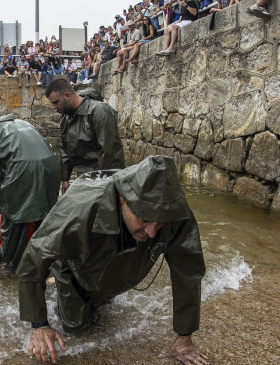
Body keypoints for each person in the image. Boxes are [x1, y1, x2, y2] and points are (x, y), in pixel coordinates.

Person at [17, 156, 207, 364]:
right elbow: (33, 259)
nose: (152, 233)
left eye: (160, 224)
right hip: (74, 263)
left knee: (104, 301)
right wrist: (39, 325)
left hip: (117, 263)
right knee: (77, 326)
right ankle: (59, 288)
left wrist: (184, 337)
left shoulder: (175, 211)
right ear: (124, 198)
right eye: (144, 219)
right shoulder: (77, 210)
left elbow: (188, 271)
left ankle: (100, 293)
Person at [0, 110, 60, 270]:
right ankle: (48, 258)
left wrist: (0, 203)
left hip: (24, 169)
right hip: (52, 166)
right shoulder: (20, 123)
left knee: (15, 220)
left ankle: (12, 266)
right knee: (44, 216)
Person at [45, 80, 124, 194]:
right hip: (83, 178)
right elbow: (66, 149)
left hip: (103, 178)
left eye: (56, 102)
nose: (54, 107)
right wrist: (65, 179)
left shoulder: (99, 110)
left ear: (67, 96)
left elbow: (108, 151)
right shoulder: (66, 117)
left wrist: (101, 185)